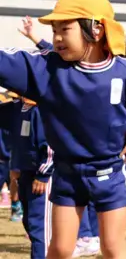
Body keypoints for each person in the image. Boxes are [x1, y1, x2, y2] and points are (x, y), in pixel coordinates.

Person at [0, 0, 126, 258]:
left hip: (111, 171)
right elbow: (6, 61)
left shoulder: (124, 70)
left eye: (64, 29)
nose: (56, 37)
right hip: (66, 173)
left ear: (96, 29)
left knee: (112, 248)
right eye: (53, 30)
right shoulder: (46, 68)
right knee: (61, 249)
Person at [17, 15, 101, 257]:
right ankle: (84, 236)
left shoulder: (106, 71)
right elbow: (56, 54)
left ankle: (87, 236)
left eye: (65, 29)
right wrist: (35, 37)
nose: (59, 38)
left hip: (83, 154)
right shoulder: (65, 65)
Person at [0, 93, 54, 258]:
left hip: (41, 176)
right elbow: (16, 141)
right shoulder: (17, 107)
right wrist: (14, 167)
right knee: (29, 223)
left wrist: (43, 174)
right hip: (24, 173)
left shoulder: (41, 109)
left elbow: (51, 144)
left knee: (39, 227)